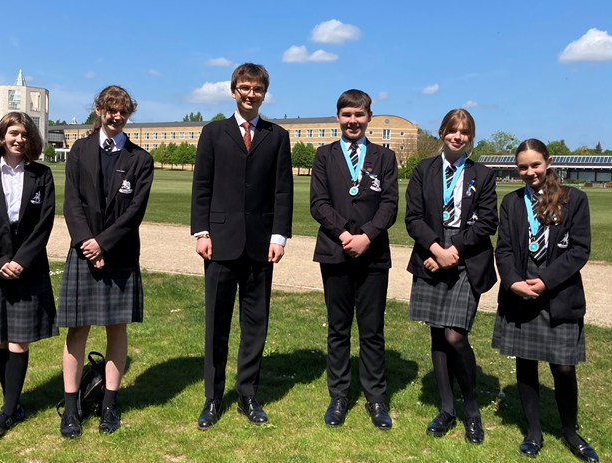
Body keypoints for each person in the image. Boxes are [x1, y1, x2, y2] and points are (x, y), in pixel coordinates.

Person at [191, 63, 294, 430]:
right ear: (233, 90)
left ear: (265, 93)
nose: (251, 94)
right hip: (219, 243)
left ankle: (248, 392)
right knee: (217, 324)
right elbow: (202, 185)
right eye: (245, 88)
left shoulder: (277, 136)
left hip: (261, 246)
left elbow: (283, 190)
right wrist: (201, 233)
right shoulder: (213, 133)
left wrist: (279, 236)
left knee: (256, 324)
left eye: (258, 89)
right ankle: (213, 397)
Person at [56, 85, 154, 437]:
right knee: (77, 330)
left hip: (121, 255)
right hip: (83, 253)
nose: (116, 117)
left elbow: (134, 213)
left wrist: (104, 245)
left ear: (128, 114)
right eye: (110, 110)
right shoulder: (79, 150)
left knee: (117, 329)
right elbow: (71, 203)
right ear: (98, 109)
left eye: (123, 112)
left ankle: (110, 405)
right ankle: (71, 410)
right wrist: (87, 244)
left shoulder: (141, 158)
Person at [492, 139, 599, 461]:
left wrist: (547, 280)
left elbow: (580, 248)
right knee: (526, 364)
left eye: (535, 165)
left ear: (548, 162)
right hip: (520, 290)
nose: (529, 172)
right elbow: (505, 249)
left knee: (564, 368)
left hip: (559, 291)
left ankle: (570, 433)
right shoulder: (511, 202)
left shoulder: (574, 199)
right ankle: (534, 431)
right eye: (523, 166)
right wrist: (512, 282)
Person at [405, 109, 497, 444]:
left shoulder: (483, 175)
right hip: (431, 252)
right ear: (442, 132)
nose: (457, 136)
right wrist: (435, 249)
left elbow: (488, 222)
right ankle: (446, 409)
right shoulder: (423, 170)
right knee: (437, 337)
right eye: (452, 130)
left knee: (455, 335)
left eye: (464, 132)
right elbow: (413, 218)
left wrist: (452, 253)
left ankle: (471, 410)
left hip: (466, 258)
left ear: (471, 137)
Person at [0, 111, 57, 439]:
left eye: (25, 134)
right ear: (1, 136)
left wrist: (21, 260)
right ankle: (13, 402)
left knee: (18, 341)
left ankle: (7, 412)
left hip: (27, 269)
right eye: (13, 133)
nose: (19, 139)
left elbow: (44, 223)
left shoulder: (42, 175)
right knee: (0, 338)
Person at [310, 89, 398, 430]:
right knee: (338, 328)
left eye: (359, 114)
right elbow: (318, 203)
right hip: (335, 251)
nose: (353, 121)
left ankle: (376, 398)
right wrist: (346, 235)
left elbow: (390, 205)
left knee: (372, 331)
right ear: (338, 117)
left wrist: (367, 236)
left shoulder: (384, 157)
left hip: (373, 254)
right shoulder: (324, 155)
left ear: (369, 118)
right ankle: (339, 396)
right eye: (347, 114)